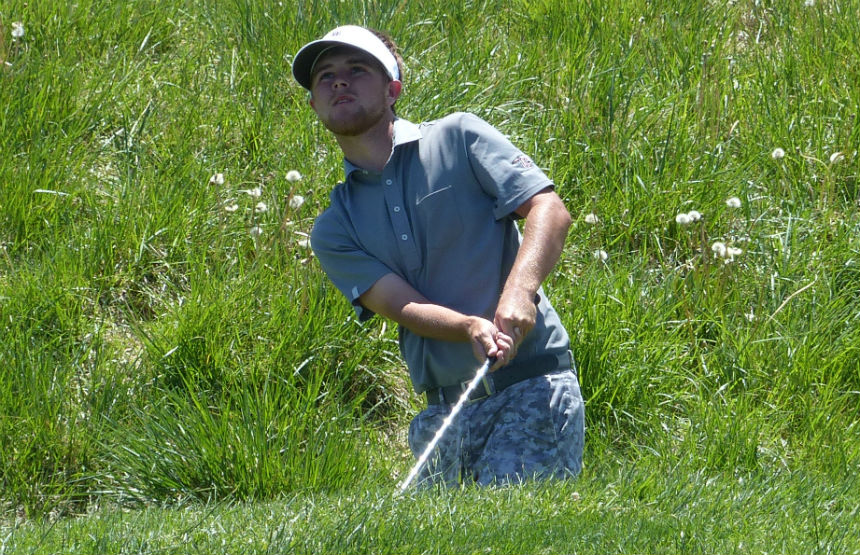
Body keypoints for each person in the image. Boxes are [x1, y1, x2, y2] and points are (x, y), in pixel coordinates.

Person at [291, 25, 584, 487]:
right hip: (442, 412)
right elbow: (399, 303)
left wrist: (519, 293)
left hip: (531, 389)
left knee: (508, 522)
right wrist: (469, 326)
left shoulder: (459, 136)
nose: (339, 81)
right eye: (324, 76)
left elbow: (549, 210)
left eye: (357, 69)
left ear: (392, 90)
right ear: (314, 105)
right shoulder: (334, 228)